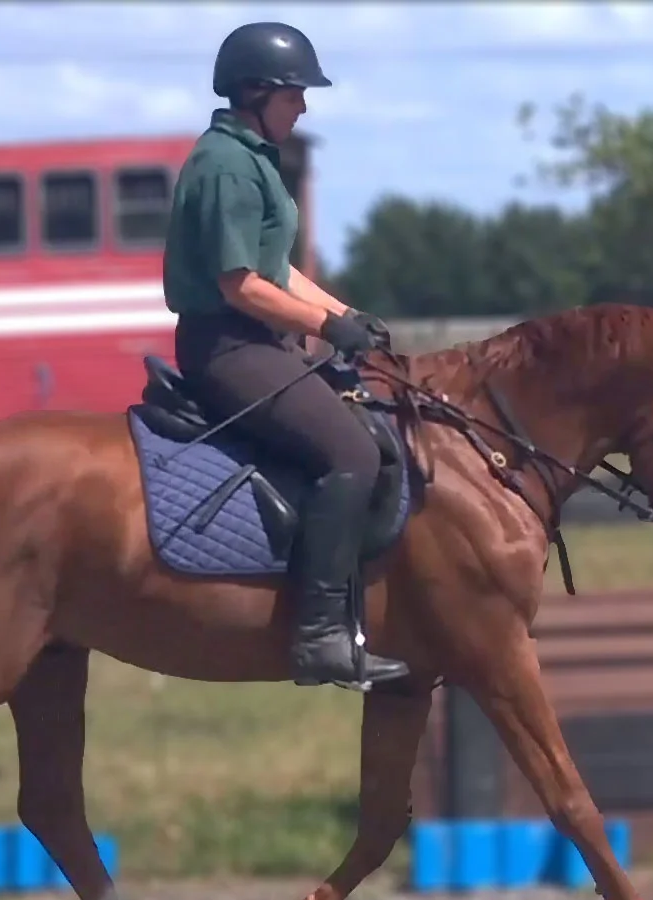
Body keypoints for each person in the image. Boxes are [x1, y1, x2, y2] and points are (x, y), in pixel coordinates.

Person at [162, 21, 409, 691]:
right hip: (228, 346)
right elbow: (238, 287)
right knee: (350, 454)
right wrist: (326, 329)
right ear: (255, 92)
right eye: (294, 93)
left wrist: (342, 316)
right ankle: (318, 637)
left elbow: (277, 273)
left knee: (377, 435)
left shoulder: (255, 159)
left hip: (257, 337)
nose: (303, 106)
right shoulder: (224, 165)